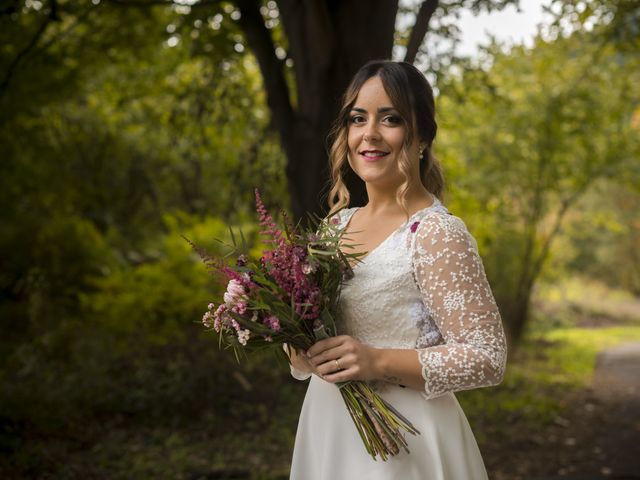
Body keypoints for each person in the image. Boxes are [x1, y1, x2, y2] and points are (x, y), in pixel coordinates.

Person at [287, 60, 508, 480]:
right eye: (357, 119)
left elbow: (487, 357)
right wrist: (297, 347)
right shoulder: (334, 227)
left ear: (421, 136)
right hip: (327, 428)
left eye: (390, 118)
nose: (369, 134)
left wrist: (376, 361)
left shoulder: (436, 233)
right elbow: (309, 343)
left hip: (407, 442)